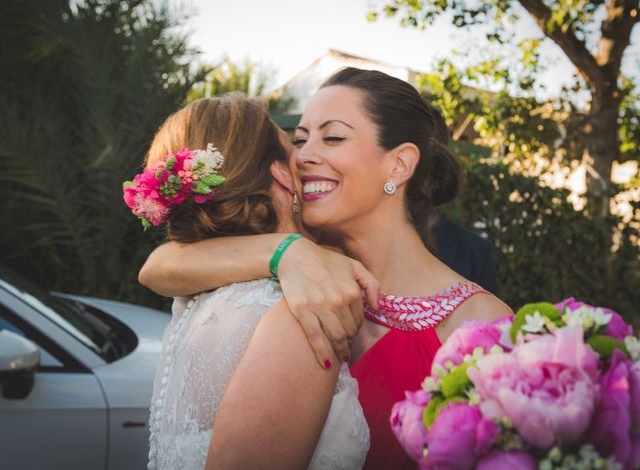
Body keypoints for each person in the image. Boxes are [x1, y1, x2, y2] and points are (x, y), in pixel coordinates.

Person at [139, 68, 513, 470]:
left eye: (332, 137)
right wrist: (285, 252)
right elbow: (159, 266)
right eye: (299, 140)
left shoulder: (482, 325)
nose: (303, 156)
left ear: (400, 165)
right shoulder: (292, 263)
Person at [130, 94, 370, 470]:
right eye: (295, 148)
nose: (307, 161)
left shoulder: (200, 298)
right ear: (280, 173)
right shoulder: (300, 310)